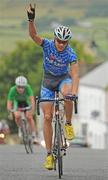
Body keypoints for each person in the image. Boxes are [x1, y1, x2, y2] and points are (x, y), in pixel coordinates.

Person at [27, 4, 79, 170]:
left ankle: (68, 123)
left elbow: (75, 75)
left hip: (63, 79)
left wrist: (74, 92)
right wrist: (31, 19)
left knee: (68, 93)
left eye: (64, 42)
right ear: (54, 38)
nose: (61, 44)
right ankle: (49, 155)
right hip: (48, 81)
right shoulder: (47, 44)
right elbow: (33, 35)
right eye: (59, 40)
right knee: (48, 117)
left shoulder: (71, 53)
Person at [7, 75, 38, 143]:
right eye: (19, 87)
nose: (20, 89)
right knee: (17, 116)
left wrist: (32, 110)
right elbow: (9, 102)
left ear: (25, 86)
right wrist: (10, 112)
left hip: (26, 102)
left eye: (22, 87)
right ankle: (20, 128)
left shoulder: (28, 88)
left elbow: (32, 100)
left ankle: (34, 135)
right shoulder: (12, 89)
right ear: (16, 86)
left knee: (29, 117)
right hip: (17, 103)